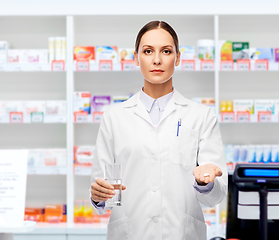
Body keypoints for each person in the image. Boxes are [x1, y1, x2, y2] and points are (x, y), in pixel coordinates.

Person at [90, 20, 227, 240]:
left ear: (178, 57)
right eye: (147, 51)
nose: (156, 60)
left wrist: (206, 183)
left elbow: (215, 196)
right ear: (136, 57)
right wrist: (98, 197)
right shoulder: (114, 118)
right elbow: (106, 193)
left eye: (166, 51)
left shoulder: (201, 117)